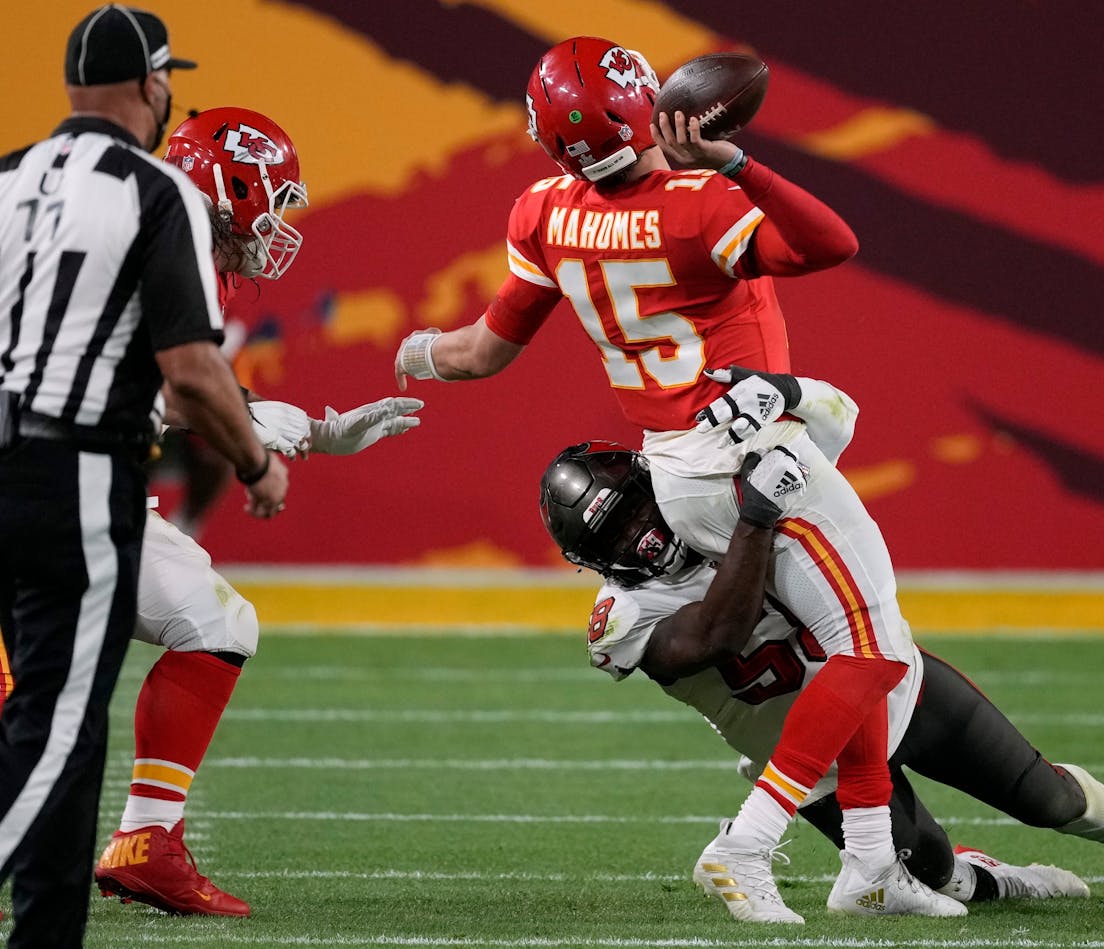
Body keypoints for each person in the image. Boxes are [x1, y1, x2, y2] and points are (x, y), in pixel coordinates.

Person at [394, 37, 954, 921]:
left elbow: (479, 353)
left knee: (856, 643)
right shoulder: (693, 203)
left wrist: (416, 352)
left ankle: (874, 862)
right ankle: (746, 845)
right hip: (747, 448)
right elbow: (831, 242)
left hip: (673, 464)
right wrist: (735, 157)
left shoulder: (542, 211)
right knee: (874, 649)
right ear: (640, 105)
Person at [536, 370, 1104, 919]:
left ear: (649, 480)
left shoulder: (707, 491)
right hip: (809, 759)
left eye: (634, 510)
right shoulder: (623, 619)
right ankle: (997, 878)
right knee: (936, 868)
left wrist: (782, 390)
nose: (643, 536)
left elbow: (835, 417)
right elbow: (718, 630)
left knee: (1047, 795)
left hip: (892, 690)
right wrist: (757, 515)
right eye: (616, 537)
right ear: (596, 564)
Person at [78, 106, 421, 918]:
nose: (279, 225)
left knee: (215, 619)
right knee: (35, 684)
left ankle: (147, 843)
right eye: (273, 200)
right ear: (227, 187)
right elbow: (179, 383)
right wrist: (264, 446)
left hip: (89, 484)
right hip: (40, 478)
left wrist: (300, 427)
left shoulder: (173, 239)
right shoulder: (153, 237)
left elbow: (180, 383)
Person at [0, 7, 289, 947]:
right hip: (64, 468)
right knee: (54, 728)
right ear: (152, 83)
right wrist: (256, 460)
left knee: (73, 709)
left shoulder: (8, 179)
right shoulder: (154, 191)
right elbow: (189, 372)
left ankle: (107, 877)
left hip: (45, 453)